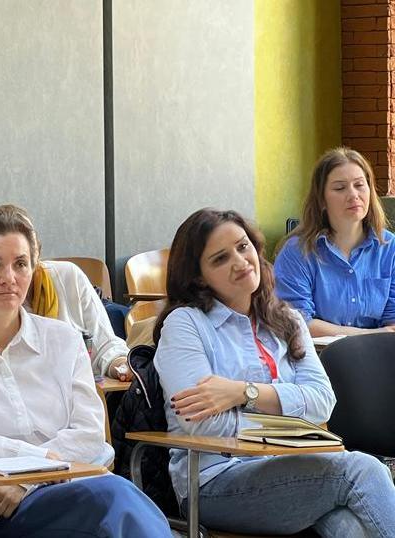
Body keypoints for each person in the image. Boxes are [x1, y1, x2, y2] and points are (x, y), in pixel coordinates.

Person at [0, 205, 170, 537]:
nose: (9, 278)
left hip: (77, 494)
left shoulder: (63, 339)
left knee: (117, 501)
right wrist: (30, 462)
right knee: (118, 499)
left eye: (20, 264)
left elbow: (90, 434)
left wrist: (30, 480)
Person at [153, 208, 395, 536]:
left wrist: (243, 393)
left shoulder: (287, 319)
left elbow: (323, 401)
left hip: (295, 470)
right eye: (220, 259)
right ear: (198, 277)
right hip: (216, 480)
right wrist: (290, 419)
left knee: (350, 526)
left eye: (243, 247)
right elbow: (203, 423)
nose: (240, 262)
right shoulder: (185, 324)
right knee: (361, 469)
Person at [274, 147, 395, 336]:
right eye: (340, 188)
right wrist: (364, 335)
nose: (353, 195)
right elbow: (298, 322)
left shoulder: (389, 247)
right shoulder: (296, 252)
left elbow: (392, 322)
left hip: (379, 351)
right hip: (318, 352)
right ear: (321, 200)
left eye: (359, 185)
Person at [13, 207, 130, 380]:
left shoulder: (67, 276)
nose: (9, 275)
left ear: (36, 254)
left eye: (20, 262)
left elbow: (105, 345)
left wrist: (121, 366)